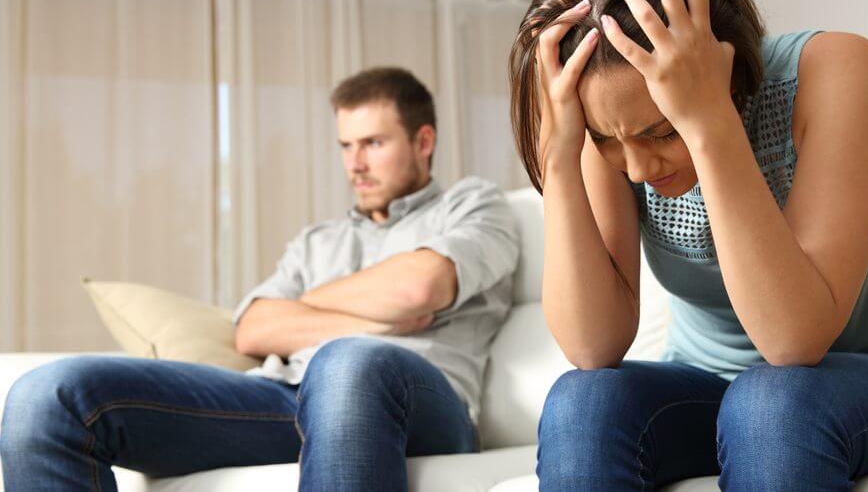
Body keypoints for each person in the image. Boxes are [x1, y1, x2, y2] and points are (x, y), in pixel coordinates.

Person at [507, 0, 868, 490]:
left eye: (661, 131)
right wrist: (562, 152)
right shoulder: (613, 128)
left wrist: (705, 120)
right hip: (711, 385)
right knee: (583, 402)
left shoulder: (836, 67)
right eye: (609, 141)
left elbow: (793, 340)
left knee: (769, 403)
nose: (639, 169)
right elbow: (593, 346)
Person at [1, 67, 519, 491]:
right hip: (284, 399)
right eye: (345, 146)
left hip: (421, 404)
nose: (354, 164)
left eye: (373, 143)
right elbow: (253, 330)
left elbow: (418, 288)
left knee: (347, 363)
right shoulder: (318, 241)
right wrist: (372, 318)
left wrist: (315, 313)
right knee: (45, 399)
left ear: (423, 140)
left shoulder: (473, 204)